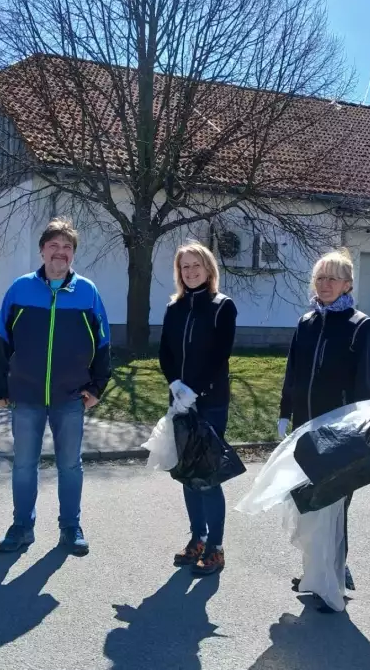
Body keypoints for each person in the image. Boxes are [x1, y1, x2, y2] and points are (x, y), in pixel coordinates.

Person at [0, 218, 111, 556]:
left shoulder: (87, 292)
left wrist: (97, 387)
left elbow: (103, 344)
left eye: (67, 247)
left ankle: (70, 527)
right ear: (42, 250)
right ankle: (21, 527)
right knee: (24, 465)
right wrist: (0, 387)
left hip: (71, 396)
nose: (60, 252)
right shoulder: (20, 289)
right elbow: (1, 340)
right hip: (26, 395)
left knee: (70, 466)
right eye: (54, 246)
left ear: (73, 254)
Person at [277, 247, 370, 606]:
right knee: (310, 501)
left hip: (339, 431)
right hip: (305, 429)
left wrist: (364, 429)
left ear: (348, 284)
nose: (326, 284)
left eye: (333, 277)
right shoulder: (307, 321)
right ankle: (315, 569)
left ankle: (333, 571)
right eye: (320, 277)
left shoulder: (359, 326)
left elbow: (364, 383)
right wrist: (284, 412)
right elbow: (293, 371)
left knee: (335, 503)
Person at [157, 241, 238, 576]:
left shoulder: (222, 307)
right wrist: (176, 384)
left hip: (210, 402)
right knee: (188, 474)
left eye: (196, 266)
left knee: (208, 475)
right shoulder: (174, 308)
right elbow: (165, 352)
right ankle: (198, 539)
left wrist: (196, 389)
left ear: (208, 269)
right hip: (179, 401)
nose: (190, 272)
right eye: (184, 267)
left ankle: (216, 547)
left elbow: (220, 356)